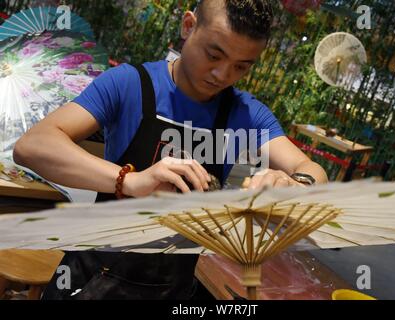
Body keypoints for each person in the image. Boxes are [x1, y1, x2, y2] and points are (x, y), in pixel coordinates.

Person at [13, 0, 328, 300]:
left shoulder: (244, 113)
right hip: (93, 277)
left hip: (171, 287)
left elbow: (313, 171)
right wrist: (130, 181)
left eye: (241, 67)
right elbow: (34, 146)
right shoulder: (129, 84)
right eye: (214, 55)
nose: (223, 75)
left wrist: (295, 184)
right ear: (188, 26)